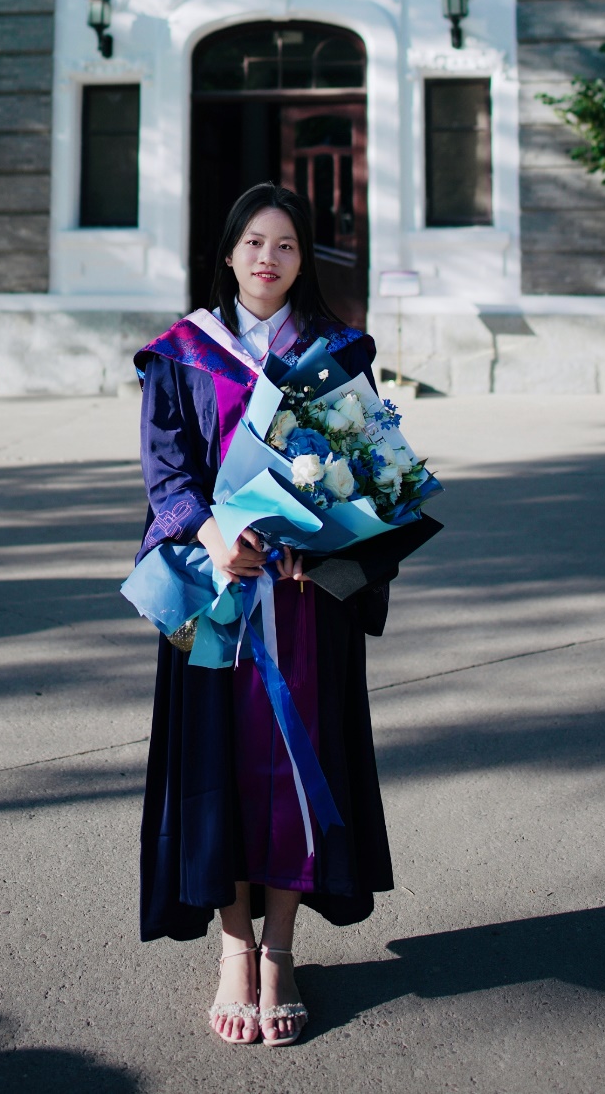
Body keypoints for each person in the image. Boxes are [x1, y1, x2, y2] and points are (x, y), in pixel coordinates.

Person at [132, 181, 394, 1046]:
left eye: (285, 244)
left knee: (298, 764)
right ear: (229, 253)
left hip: (305, 599)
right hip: (218, 595)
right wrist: (214, 538)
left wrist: (319, 543)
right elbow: (167, 470)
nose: (268, 259)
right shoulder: (183, 354)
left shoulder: (337, 352)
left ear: (303, 257)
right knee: (220, 765)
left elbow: (369, 468)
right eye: (254, 242)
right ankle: (233, 948)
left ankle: (279, 948)